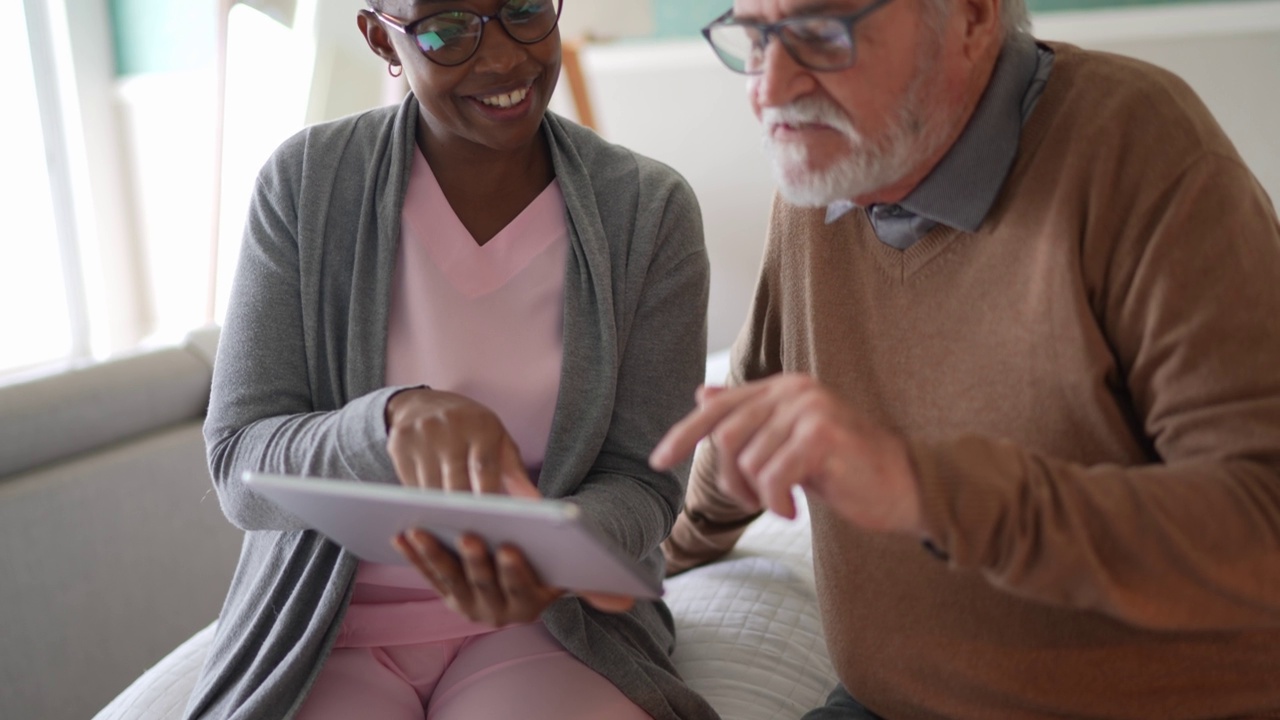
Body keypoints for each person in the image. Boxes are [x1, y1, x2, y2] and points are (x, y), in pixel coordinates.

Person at [651, 0, 1280, 717]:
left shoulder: (1142, 148)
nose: (769, 87)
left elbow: (1261, 520)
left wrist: (926, 489)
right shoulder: (821, 182)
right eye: (756, 36)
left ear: (973, 17)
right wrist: (622, 563)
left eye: (820, 32)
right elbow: (749, 435)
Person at [184, 1, 719, 718]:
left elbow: (645, 485)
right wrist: (388, 425)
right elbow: (239, 468)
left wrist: (558, 551)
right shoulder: (304, 185)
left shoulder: (648, 213)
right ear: (381, 38)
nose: (502, 58)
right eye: (445, 29)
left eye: (525, 10)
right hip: (329, 623)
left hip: (551, 624)